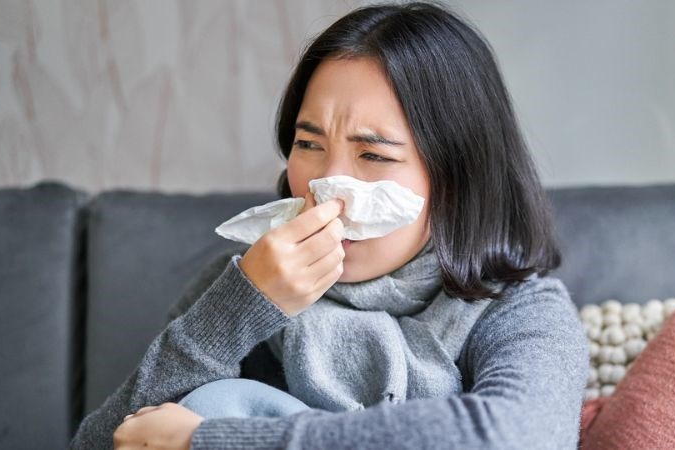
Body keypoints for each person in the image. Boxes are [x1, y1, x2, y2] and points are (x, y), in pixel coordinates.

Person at [71, 2, 589, 449]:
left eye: (374, 154)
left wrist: (214, 441)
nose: (327, 187)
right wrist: (241, 308)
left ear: (457, 178)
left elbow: (516, 437)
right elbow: (109, 442)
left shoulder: (517, 309)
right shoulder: (243, 282)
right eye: (308, 144)